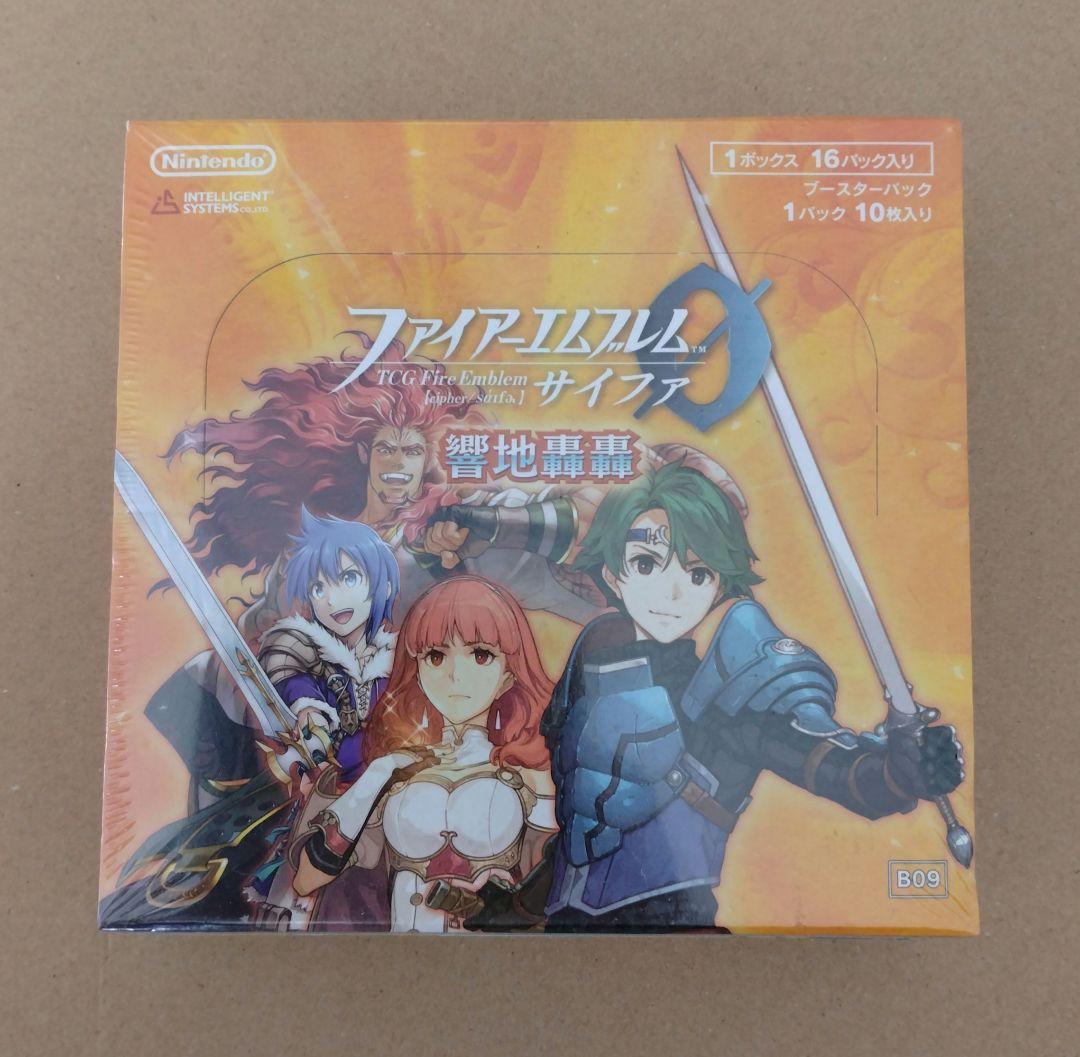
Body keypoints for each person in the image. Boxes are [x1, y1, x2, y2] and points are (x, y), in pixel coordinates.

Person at [468, 461, 965, 932]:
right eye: (646, 564)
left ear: (720, 583)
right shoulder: (594, 657)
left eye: (697, 573)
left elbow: (842, 771)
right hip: (567, 926)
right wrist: (523, 906)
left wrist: (903, 770)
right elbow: (591, 819)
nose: (672, 593)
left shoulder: (731, 691)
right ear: (614, 574)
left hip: (675, 930)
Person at [290, 577, 558, 933]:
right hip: (406, 955)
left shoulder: (526, 774)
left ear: (508, 675)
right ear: (417, 670)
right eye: (436, 656)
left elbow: (554, 893)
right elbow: (306, 880)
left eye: (481, 655)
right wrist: (377, 776)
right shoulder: (396, 773)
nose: (455, 675)